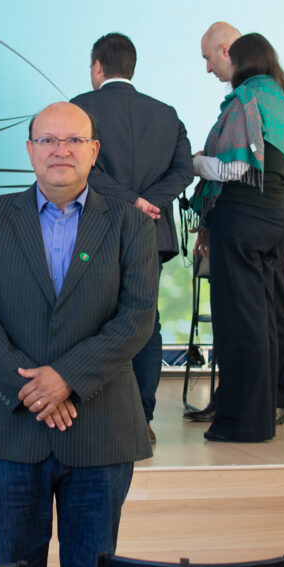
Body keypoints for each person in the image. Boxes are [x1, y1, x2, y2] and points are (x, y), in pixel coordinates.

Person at [0, 101, 158, 567]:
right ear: (29, 151)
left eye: (72, 141)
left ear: (94, 151)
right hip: (11, 429)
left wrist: (65, 378)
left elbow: (136, 319)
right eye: (47, 140)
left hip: (101, 430)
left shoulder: (131, 226)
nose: (59, 150)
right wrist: (35, 388)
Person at [70, 33, 193, 442]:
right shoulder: (167, 113)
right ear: (132, 67)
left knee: (89, 318)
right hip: (150, 232)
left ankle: (89, 412)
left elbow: (82, 169)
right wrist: (147, 202)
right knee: (145, 323)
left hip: (95, 229)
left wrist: (130, 200)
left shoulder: (79, 109)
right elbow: (183, 170)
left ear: (98, 68)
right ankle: (141, 417)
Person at [194, 22, 284, 427]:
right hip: (277, 216)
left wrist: (194, 163)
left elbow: (237, 166)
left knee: (251, 316)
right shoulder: (281, 95)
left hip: (250, 214)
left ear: (232, 54)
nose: (209, 68)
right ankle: (256, 400)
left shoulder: (248, 100)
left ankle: (256, 405)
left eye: (209, 58)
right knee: (265, 314)